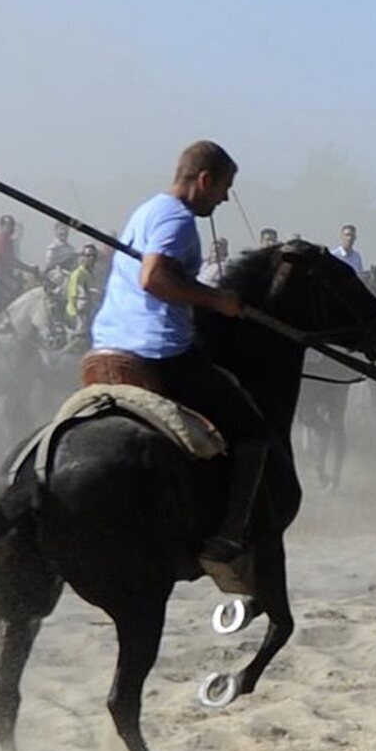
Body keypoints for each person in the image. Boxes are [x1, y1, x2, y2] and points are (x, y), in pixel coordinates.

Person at [89, 140, 265, 571]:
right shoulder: (180, 219)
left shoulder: (146, 210)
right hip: (157, 351)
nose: (224, 198)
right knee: (252, 431)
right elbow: (154, 278)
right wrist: (216, 301)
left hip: (105, 347)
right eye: (224, 188)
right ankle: (228, 537)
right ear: (204, 179)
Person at [65, 244, 100, 339]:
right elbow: (73, 296)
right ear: (82, 257)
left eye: (93, 256)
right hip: (81, 315)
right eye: (88, 256)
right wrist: (75, 316)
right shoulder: (77, 274)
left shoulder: (95, 273)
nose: (91, 259)